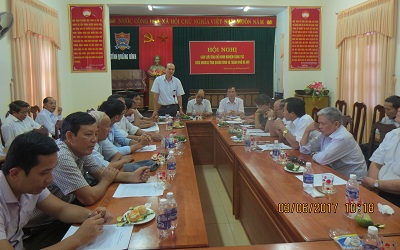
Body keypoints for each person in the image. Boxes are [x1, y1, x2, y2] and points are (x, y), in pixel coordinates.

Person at [25, 112, 151, 235]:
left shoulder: (81, 148)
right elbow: (89, 197)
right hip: (44, 226)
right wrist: (106, 180)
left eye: (96, 134)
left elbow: (101, 172)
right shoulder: (62, 156)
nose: (94, 140)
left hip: (67, 210)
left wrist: (132, 176)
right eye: (89, 134)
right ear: (69, 137)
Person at [0, 131, 112, 250]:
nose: (50, 179)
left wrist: (93, 216)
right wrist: (78, 239)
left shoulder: (29, 185)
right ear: (15, 174)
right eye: (44, 173)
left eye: (51, 171)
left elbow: (61, 210)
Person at [300, 107, 367, 180]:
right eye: (319, 123)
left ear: (336, 124)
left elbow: (321, 160)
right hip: (334, 173)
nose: (320, 127)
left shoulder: (342, 137)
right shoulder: (325, 133)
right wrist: (307, 131)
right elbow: (304, 150)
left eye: (323, 124)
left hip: (352, 180)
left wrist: (313, 153)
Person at [361, 107, 400, 207]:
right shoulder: (392, 135)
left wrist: (375, 183)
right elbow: (376, 163)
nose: (398, 109)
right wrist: (373, 191)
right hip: (378, 190)